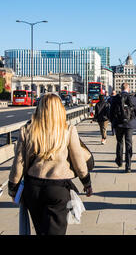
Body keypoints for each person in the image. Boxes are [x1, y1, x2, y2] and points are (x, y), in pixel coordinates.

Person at [8, 93, 93, 235]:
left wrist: (13, 188)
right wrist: (87, 183)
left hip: (33, 189)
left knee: (41, 231)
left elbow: (19, 164)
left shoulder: (28, 130)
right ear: (60, 109)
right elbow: (79, 162)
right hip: (57, 189)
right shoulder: (67, 130)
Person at [110, 83, 136, 173]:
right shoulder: (133, 98)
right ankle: (128, 166)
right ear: (128, 88)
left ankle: (119, 161)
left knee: (119, 142)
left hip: (118, 124)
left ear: (121, 88)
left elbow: (111, 111)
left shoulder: (116, 98)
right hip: (130, 124)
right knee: (129, 144)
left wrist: (113, 122)